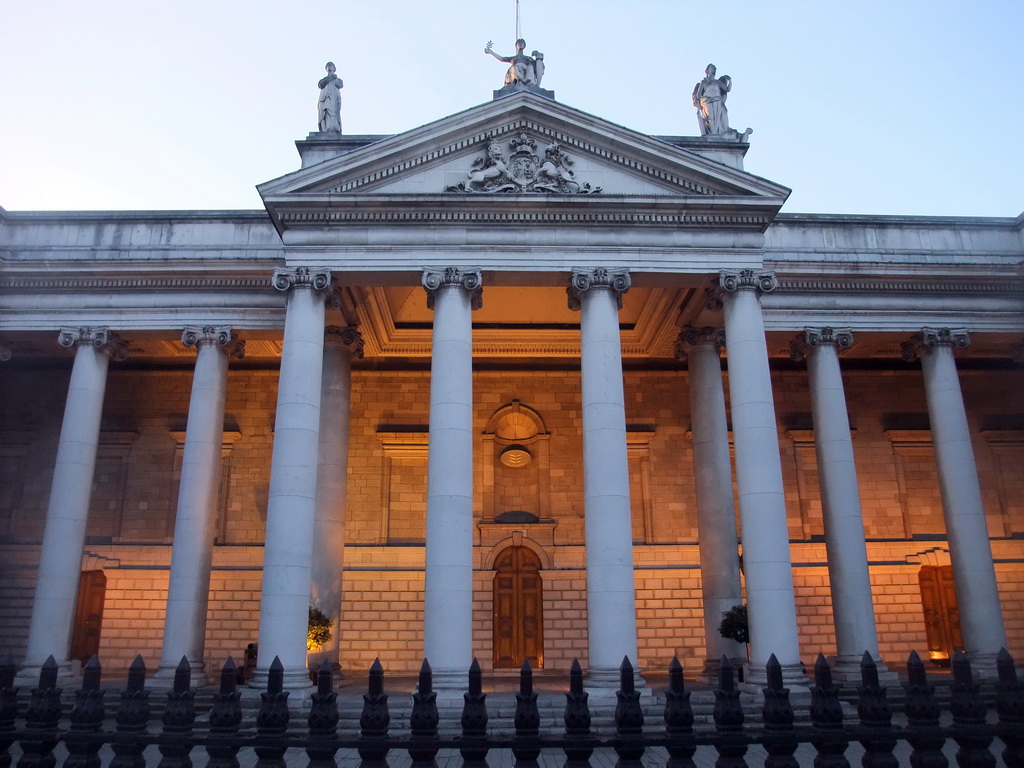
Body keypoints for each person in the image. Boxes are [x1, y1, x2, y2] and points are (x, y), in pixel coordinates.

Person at [692, 64, 732, 136]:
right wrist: (701, 101)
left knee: (718, 118)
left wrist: (730, 80)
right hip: (707, 102)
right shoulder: (704, 82)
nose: (713, 70)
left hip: (717, 101)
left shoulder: (717, 82)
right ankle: (712, 134)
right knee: (710, 119)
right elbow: (698, 94)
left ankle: (717, 134)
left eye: (714, 69)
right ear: (707, 71)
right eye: (711, 68)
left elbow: (727, 89)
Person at [317, 62, 344, 133]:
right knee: (324, 113)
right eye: (328, 66)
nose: (329, 67)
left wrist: (334, 78)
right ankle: (325, 128)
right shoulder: (324, 80)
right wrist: (331, 77)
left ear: (334, 68)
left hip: (333, 98)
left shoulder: (338, 80)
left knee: (333, 113)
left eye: (331, 66)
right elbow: (320, 84)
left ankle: (334, 128)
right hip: (324, 99)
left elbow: (340, 85)